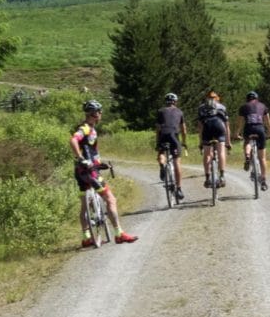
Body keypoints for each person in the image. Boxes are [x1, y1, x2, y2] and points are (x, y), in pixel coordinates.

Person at [72, 100, 139, 246]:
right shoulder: (86, 128)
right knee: (110, 199)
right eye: (100, 112)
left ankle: (86, 237)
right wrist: (82, 158)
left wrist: (98, 164)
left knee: (84, 205)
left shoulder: (89, 128)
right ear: (94, 113)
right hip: (89, 171)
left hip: (80, 170)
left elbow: (90, 150)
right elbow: (73, 140)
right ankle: (119, 233)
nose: (101, 114)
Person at [234, 91, 270, 192]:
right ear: (256, 98)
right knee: (262, 158)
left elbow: (239, 124)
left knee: (247, 142)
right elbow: (268, 122)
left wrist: (236, 134)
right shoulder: (263, 106)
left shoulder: (243, 107)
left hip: (248, 129)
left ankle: (247, 156)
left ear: (247, 99)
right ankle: (264, 181)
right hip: (260, 130)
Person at [155, 92, 187, 202]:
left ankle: (162, 165)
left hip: (163, 135)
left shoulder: (160, 111)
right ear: (175, 102)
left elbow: (158, 129)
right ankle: (178, 189)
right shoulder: (179, 112)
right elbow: (184, 130)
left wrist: (157, 142)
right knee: (176, 162)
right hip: (174, 136)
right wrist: (184, 141)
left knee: (161, 153)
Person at [195, 90, 231, 189]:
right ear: (217, 98)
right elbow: (227, 126)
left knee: (207, 154)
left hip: (207, 127)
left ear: (207, 98)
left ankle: (207, 178)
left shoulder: (201, 108)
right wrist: (228, 142)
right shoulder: (222, 107)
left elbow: (200, 127)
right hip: (219, 126)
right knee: (221, 152)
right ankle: (222, 176)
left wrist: (201, 142)